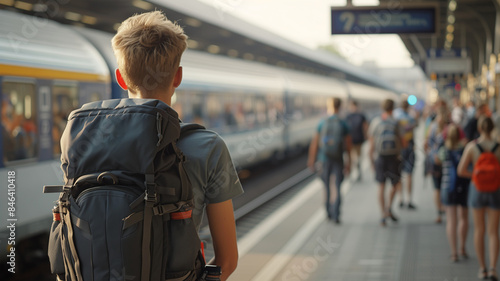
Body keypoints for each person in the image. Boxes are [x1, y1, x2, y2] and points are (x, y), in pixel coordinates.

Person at [112, 11, 242, 280]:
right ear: (177, 77)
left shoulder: (84, 139)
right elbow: (227, 262)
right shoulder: (209, 147)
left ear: (121, 78)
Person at [458, 117, 500, 280]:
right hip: (496, 190)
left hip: (477, 191)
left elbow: (461, 170)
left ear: (480, 129)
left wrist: (475, 176)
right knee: (493, 232)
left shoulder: (472, 147)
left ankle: (482, 268)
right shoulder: (498, 147)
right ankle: (493, 269)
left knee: (479, 230)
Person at [308, 97, 351, 224]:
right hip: (338, 159)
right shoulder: (343, 123)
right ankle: (336, 214)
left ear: (330, 106)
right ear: (340, 107)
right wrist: (349, 162)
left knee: (326, 187)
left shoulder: (322, 122)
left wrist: (311, 160)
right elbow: (348, 146)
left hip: (324, 159)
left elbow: (315, 144)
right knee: (337, 187)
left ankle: (328, 211)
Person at [435, 124, 470, 263]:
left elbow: (436, 161)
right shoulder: (465, 149)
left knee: (451, 220)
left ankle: (454, 252)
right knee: (464, 218)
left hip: (447, 186)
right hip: (463, 186)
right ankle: (462, 247)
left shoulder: (443, 149)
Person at [368, 99, 405, 227]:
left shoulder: (376, 122)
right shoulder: (395, 122)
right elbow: (403, 142)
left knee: (381, 186)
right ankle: (389, 208)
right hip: (393, 158)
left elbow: (371, 144)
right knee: (395, 184)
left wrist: (371, 160)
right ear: (393, 108)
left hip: (380, 158)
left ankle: (383, 214)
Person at [425, 110, 449, 224]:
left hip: (434, 160)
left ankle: (439, 212)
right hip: (446, 161)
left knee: (436, 188)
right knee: (445, 185)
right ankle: (446, 208)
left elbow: (427, 143)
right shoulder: (450, 129)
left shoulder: (432, 127)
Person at [394, 100, 418, 209]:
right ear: (408, 107)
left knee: (399, 173)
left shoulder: (396, 117)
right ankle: (409, 199)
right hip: (410, 146)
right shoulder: (411, 117)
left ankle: (400, 199)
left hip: (400, 147)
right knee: (409, 174)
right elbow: (416, 124)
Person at [345, 100, 367, 181]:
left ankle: (350, 173)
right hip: (359, 139)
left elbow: (346, 130)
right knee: (359, 157)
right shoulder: (361, 115)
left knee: (351, 157)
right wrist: (366, 136)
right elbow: (365, 126)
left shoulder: (348, 116)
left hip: (351, 140)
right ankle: (358, 171)